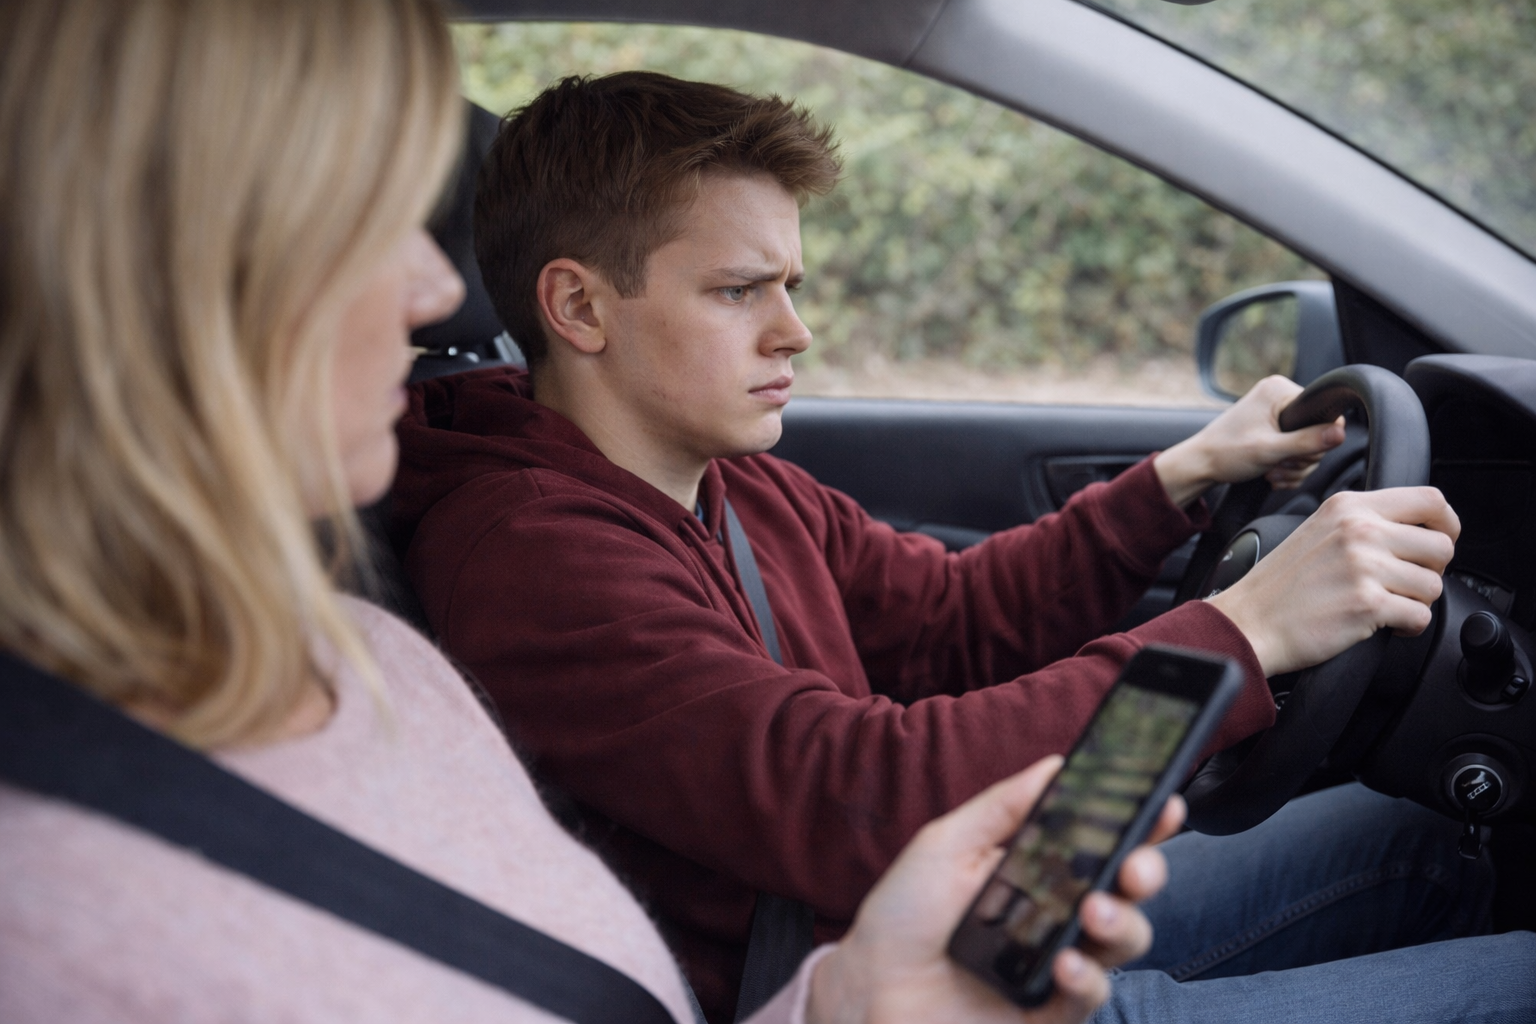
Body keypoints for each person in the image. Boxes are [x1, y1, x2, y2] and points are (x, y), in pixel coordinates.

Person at [0, 3, 1179, 1022]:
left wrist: (857, 1000)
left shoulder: (376, 661)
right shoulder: (66, 933)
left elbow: (940, 618)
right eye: (365, 218)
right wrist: (1238, 635)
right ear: (161, 274)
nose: (432, 290)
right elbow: (835, 782)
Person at [389, 71, 1535, 1022]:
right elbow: (858, 794)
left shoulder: (729, 479)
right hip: (874, 983)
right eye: (741, 290)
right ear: (579, 309)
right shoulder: (529, 557)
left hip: (962, 905)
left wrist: (1179, 479)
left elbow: (949, 622)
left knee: (1420, 837)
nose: (797, 329)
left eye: (791, 283)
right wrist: (1243, 632)